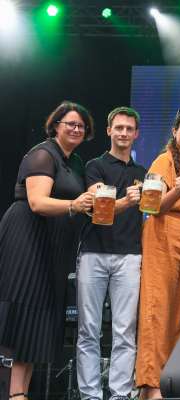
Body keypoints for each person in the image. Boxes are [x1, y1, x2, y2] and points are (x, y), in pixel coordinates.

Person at [0, 101, 95, 399]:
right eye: (70, 124)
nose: (76, 129)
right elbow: (37, 202)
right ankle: (15, 393)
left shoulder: (76, 162)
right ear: (55, 125)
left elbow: (83, 202)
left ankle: (18, 393)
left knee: (37, 316)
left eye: (81, 126)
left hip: (53, 244)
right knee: (21, 308)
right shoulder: (43, 154)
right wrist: (73, 204)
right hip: (27, 236)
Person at [75, 107, 146, 400]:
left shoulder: (143, 174)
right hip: (93, 253)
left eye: (129, 129)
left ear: (136, 134)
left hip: (130, 255)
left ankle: (119, 395)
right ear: (108, 131)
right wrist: (128, 201)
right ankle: (90, 395)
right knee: (88, 330)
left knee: (125, 332)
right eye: (119, 128)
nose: (124, 133)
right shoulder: (94, 165)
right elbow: (98, 211)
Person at [135, 109, 180, 400]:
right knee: (157, 310)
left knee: (179, 314)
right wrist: (178, 191)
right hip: (163, 233)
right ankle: (151, 385)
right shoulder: (163, 161)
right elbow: (152, 207)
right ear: (175, 132)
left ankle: (170, 380)